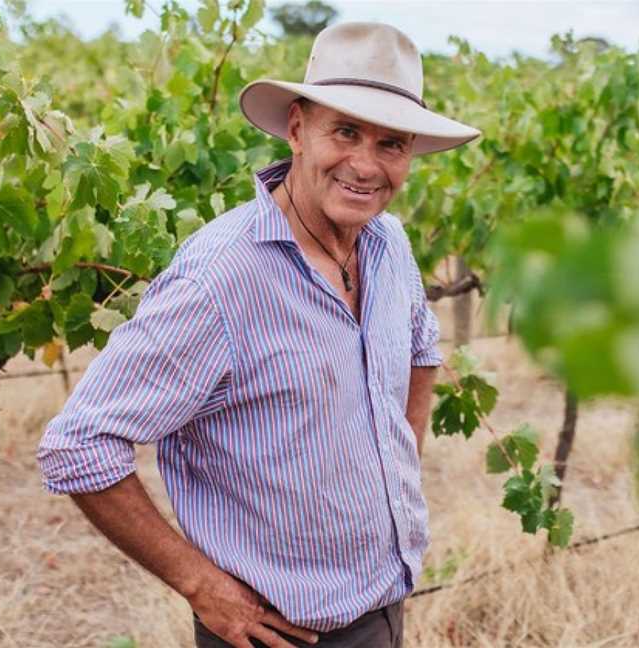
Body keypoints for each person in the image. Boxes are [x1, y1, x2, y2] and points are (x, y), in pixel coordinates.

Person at [36, 21, 479, 648]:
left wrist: (396, 467)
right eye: (345, 131)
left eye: (391, 144)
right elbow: (77, 446)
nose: (365, 164)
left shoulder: (388, 243)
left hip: (382, 604)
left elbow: (421, 347)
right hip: (274, 633)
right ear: (297, 129)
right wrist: (201, 585)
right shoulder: (222, 279)